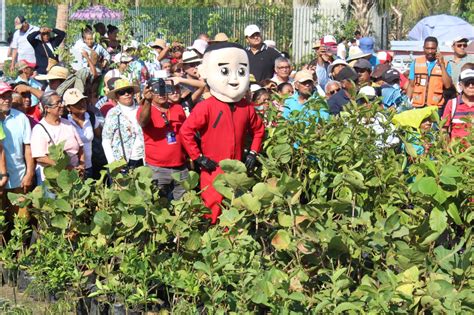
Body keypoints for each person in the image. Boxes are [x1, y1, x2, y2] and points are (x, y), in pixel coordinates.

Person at [179, 42, 265, 224]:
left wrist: (253, 152)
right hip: (213, 169)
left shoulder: (246, 108)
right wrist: (198, 157)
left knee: (235, 214)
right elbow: (185, 131)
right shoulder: (206, 107)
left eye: (241, 72)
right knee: (211, 213)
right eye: (225, 72)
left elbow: (259, 129)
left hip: (238, 170)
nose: (234, 80)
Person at [137, 80, 188, 200]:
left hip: (180, 166)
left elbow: (186, 133)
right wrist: (148, 101)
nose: (161, 94)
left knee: (184, 205)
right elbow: (143, 122)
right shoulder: (145, 109)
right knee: (158, 205)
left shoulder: (178, 108)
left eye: (164, 90)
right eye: (156, 91)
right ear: (150, 93)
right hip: (157, 168)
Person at [0, 81, 33, 242]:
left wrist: (29, 173)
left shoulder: (21, 118)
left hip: (18, 178)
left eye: (7, 96)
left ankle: (21, 256)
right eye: (2, 97)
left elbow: (28, 148)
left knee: (21, 221)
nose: (6, 99)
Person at [30, 91, 85, 184]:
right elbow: (40, 157)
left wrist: (81, 165)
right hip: (52, 179)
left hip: (74, 174)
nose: (61, 105)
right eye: (57, 103)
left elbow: (80, 147)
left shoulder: (67, 124)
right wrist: (64, 167)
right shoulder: (39, 129)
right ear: (47, 108)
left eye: (61, 102)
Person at [101, 79, 144, 169]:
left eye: (129, 91)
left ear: (132, 93)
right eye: (122, 92)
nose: (126, 94)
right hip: (123, 162)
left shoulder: (141, 110)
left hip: (144, 159)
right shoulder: (113, 113)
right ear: (116, 97)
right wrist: (113, 164)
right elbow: (106, 140)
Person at [406, 37, 453, 110]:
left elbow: (448, 85)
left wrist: (442, 65)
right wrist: (407, 102)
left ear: (437, 49)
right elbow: (411, 85)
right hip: (418, 106)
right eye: (427, 48)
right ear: (423, 48)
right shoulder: (416, 63)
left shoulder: (446, 64)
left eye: (433, 48)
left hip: (436, 107)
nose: (430, 51)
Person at [64, 88, 101, 179]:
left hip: (90, 165)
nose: (82, 104)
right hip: (72, 168)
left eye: (82, 100)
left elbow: (99, 135)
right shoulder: (64, 122)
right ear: (68, 107)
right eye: (77, 103)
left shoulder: (91, 117)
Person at [442, 69, 474, 142]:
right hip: (457, 151)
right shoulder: (452, 104)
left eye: (473, 83)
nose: (471, 86)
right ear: (460, 85)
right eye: (467, 83)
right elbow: (444, 129)